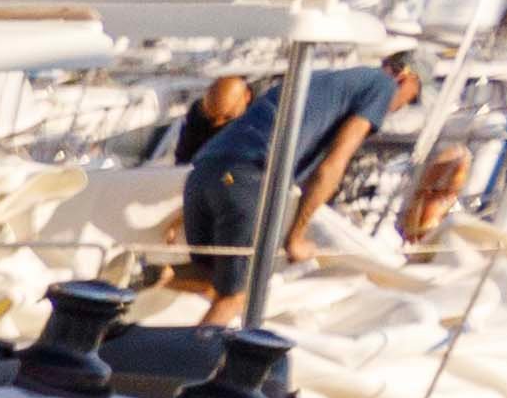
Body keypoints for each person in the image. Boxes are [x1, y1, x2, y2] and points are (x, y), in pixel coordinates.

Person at [154, 51, 418, 320]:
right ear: (404, 78)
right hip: (248, 174)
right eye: (412, 97)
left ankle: (142, 306)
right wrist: (296, 238)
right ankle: (197, 349)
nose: (401, 107)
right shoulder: (381, 86)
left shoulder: (322, 79)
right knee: (235, 297)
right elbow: (333, 165)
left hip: (203, 171)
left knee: (206, 278)